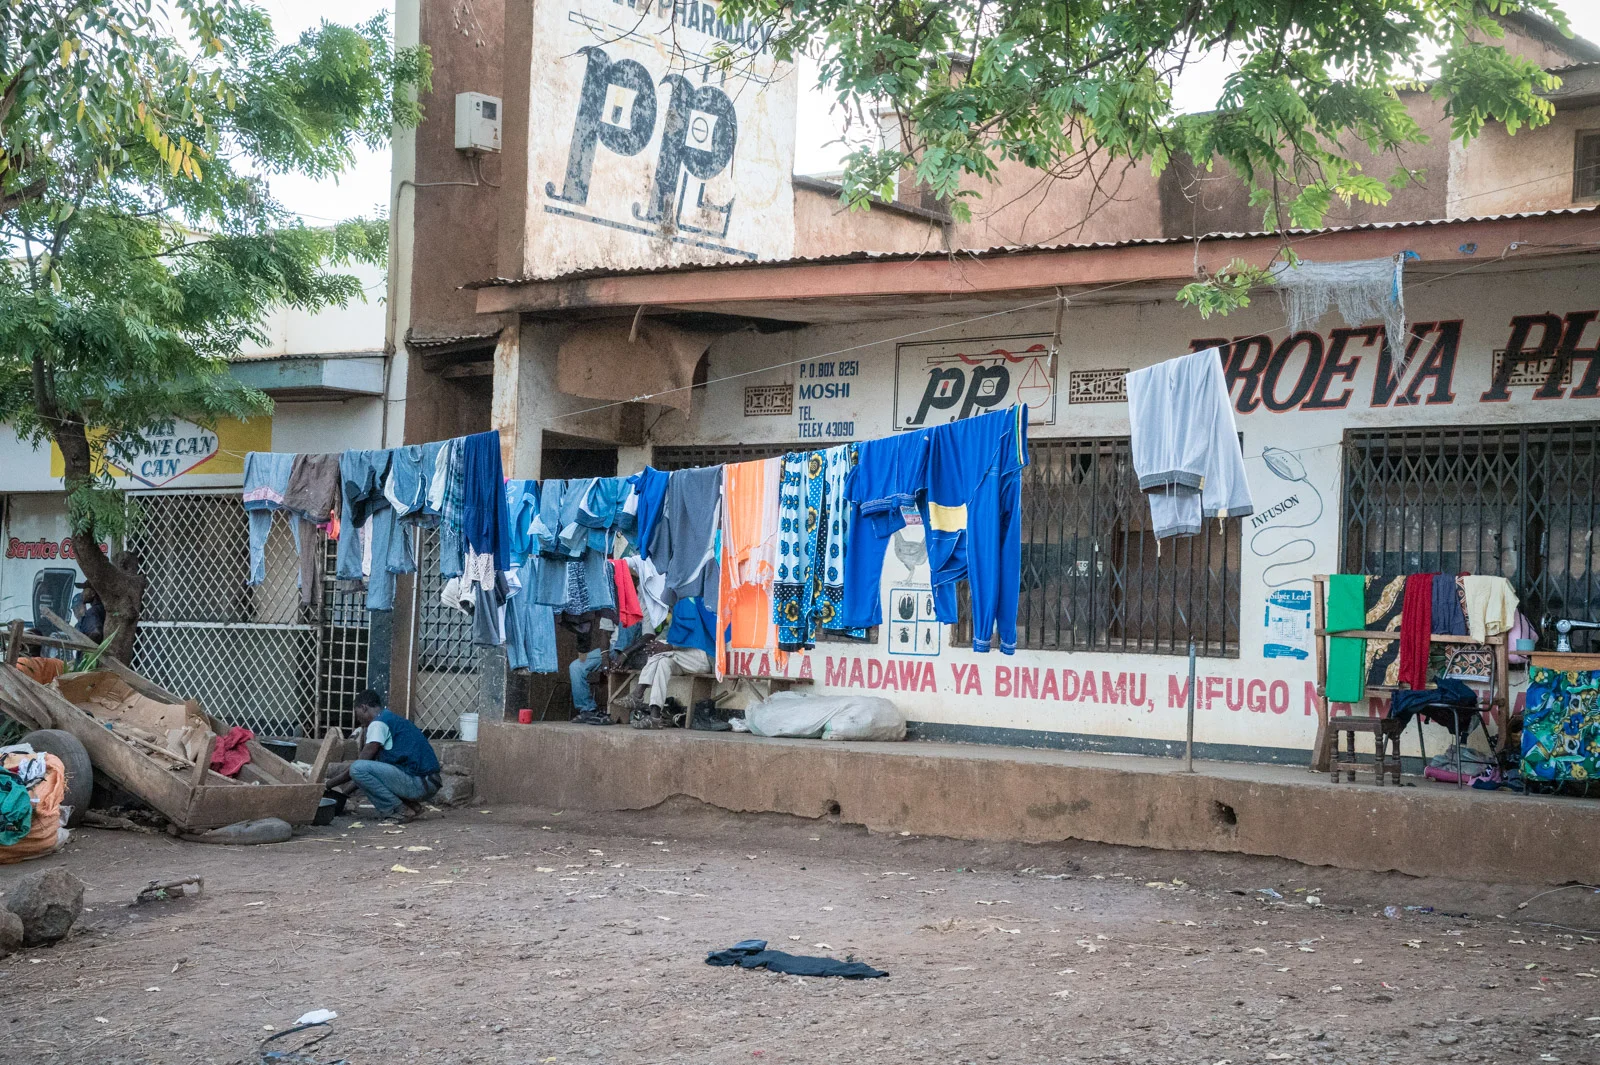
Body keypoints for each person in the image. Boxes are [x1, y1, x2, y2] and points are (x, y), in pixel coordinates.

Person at [325, 690, 441, 822]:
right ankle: (411, 806)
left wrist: (328, 785)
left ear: (364, 708)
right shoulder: (389, 718)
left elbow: (358, 767)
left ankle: (399, 810)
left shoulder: (378, 724)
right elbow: (366, 775)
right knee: (360, 769)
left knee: (357, 767)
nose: (358, 720)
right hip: (428, 782)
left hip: (419, 783)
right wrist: (343, 794)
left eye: (357, 715)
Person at [569, 620, 643, 725]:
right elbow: (605, 633)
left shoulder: (640, 605)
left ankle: (620, 656)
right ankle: (588, 710)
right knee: (576, 666)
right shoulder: (609, 607)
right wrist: (604, 657)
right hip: (612, 649)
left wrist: (625, 655)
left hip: (634, 650)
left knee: (627, 619)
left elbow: (648, 636)